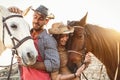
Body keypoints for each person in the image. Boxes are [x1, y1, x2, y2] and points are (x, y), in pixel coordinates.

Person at [9, 5, 60, 80]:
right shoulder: (26, 35)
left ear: (46, 21)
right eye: (35, 17)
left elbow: (54, 64)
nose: (36, 21)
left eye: (41, 19)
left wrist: (29, 64)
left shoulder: (48, 39)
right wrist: (12, 11)